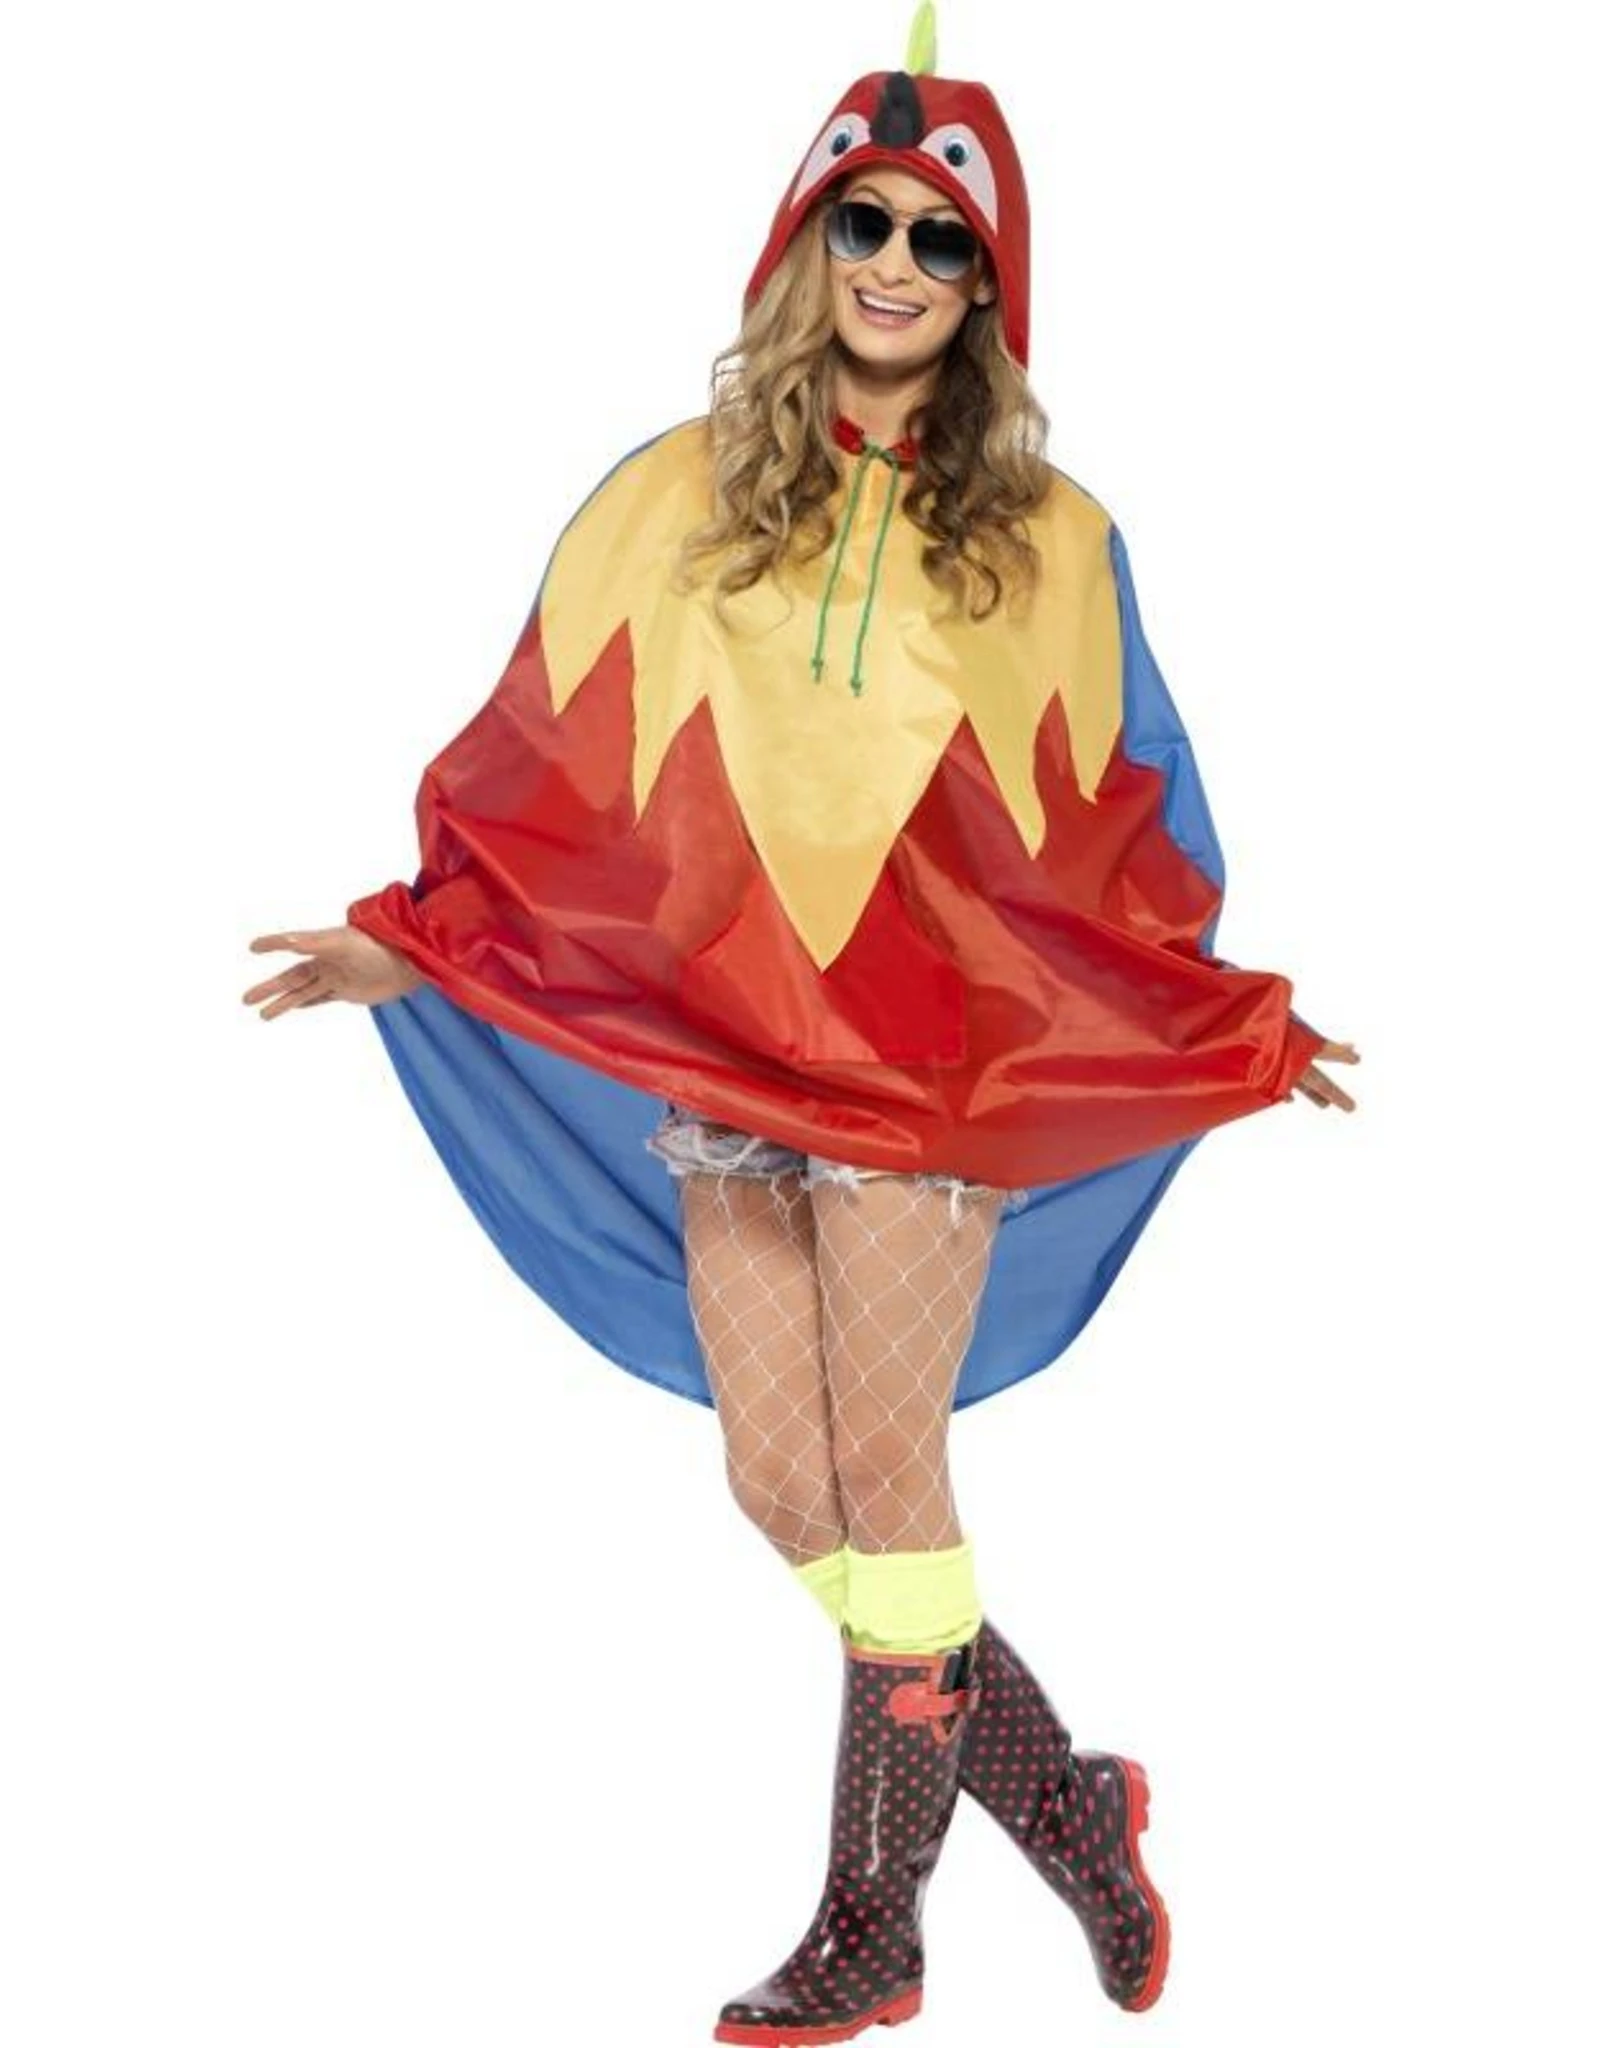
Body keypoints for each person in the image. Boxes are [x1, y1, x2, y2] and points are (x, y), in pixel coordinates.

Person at [242, 6, 1358, 2041]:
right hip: (730, 1052)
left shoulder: (1051, 540)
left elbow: (1113, 820)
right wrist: (421, 938)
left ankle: (872, 1923)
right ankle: (1068, 1801)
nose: (895, 268)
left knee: (884, 1464)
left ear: (989, 285)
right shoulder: (678, 497)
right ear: (802, 237)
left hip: (929, 1079)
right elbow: (563, 763)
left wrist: (1220, 1024)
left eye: (941, 241)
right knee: (782, 1481)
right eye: (864, 221)